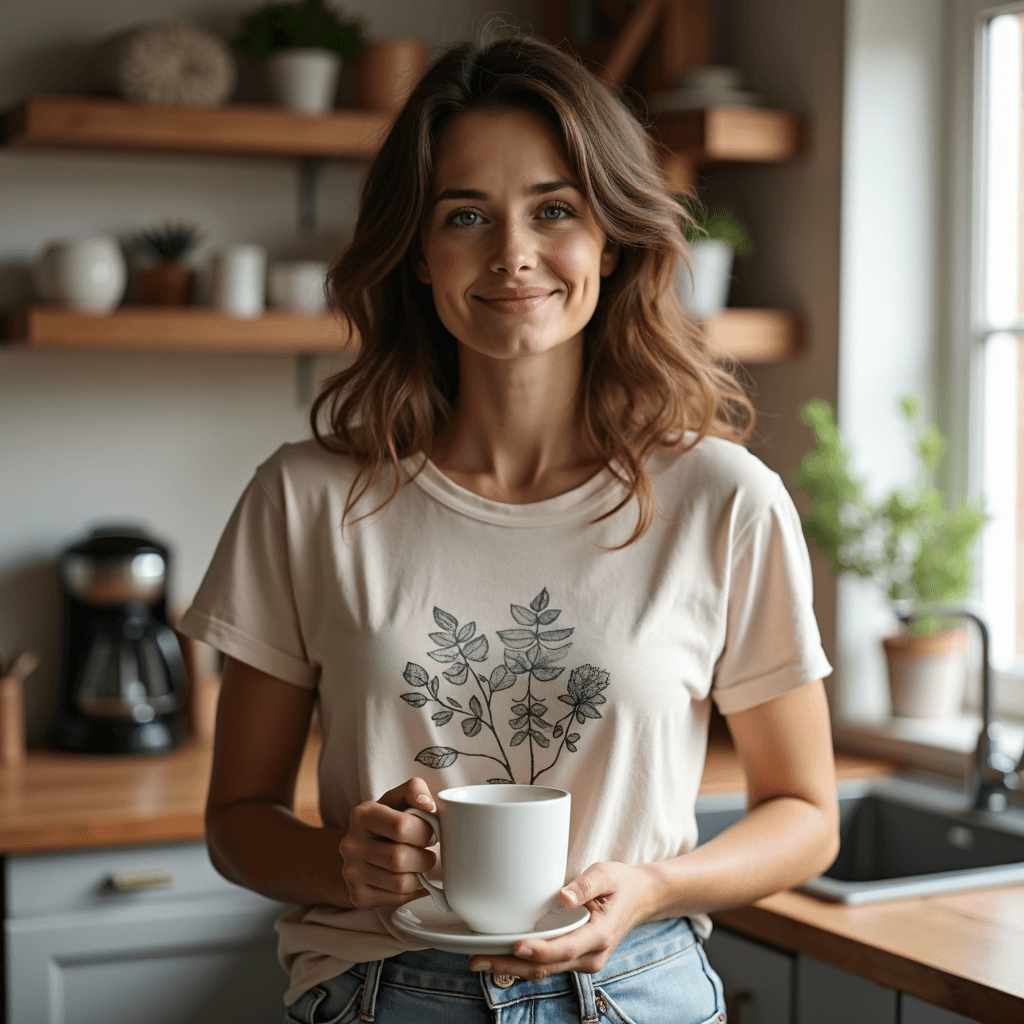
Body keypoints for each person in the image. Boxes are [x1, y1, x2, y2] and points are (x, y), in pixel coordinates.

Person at [179, 33, 839, 1024]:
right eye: (465, 216)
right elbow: (237, 821)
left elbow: (805, 814)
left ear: (609, 240)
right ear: (415, 251)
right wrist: (339, 859)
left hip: (636, 988)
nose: (513, 254)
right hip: (383, 992)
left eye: (554, 210)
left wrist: (658, 886)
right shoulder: (306, 499)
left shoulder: (723, 498)